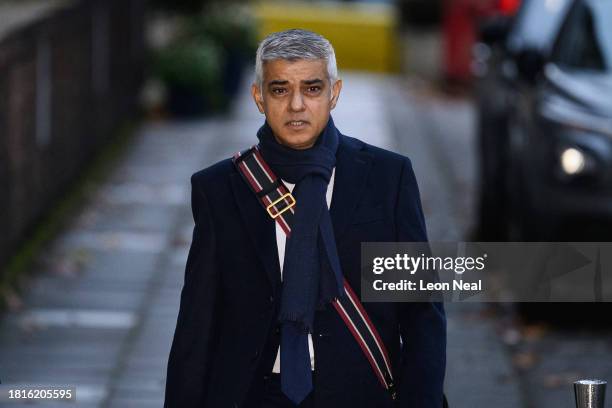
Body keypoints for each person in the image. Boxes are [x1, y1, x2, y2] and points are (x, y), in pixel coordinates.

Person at [163, 29, 446, 408]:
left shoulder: (386, 177)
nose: (296, 105)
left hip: (359, 394)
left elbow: (420, 311)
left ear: (335, 93)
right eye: (280, 89)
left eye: (312, 89)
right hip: (253, 395)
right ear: (259, 98)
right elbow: (197, 324)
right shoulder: (219, 188)